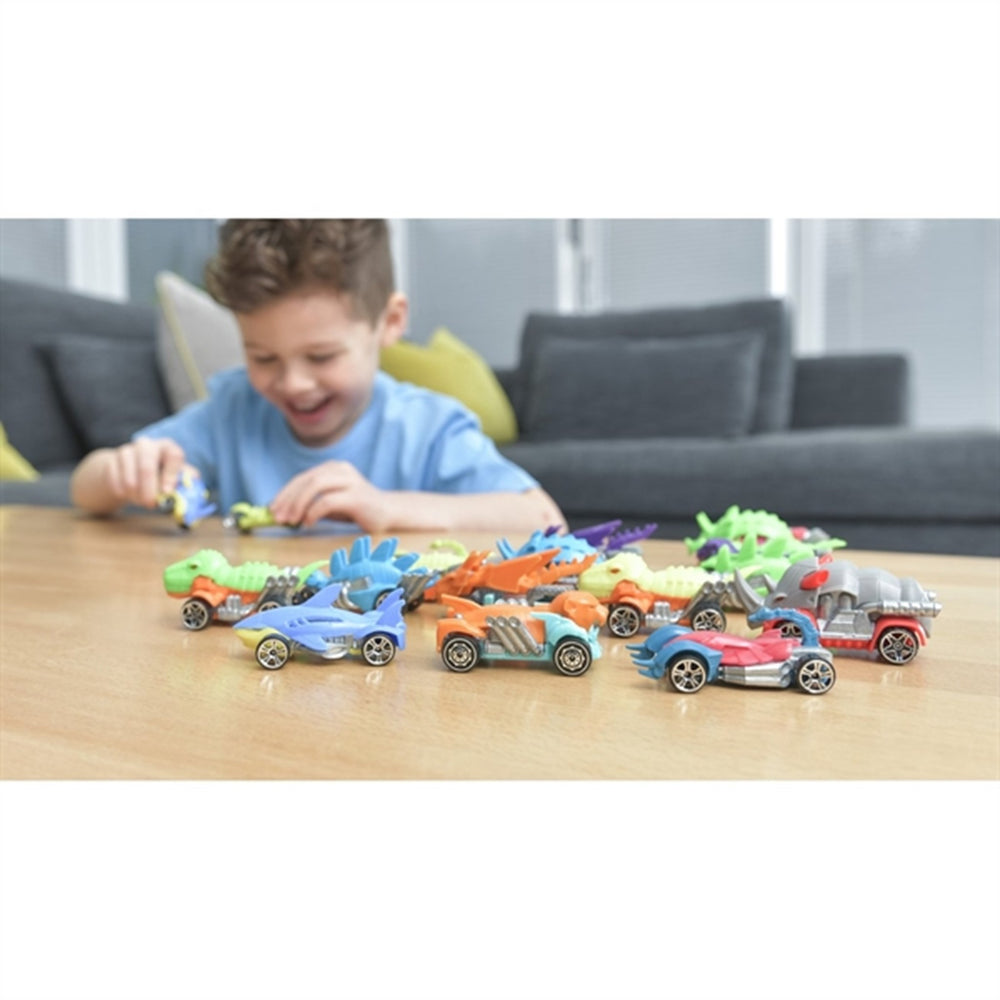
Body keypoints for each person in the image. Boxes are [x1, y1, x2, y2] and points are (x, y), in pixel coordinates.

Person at [70, 220, 565, 533]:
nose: (294, 384)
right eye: (263, 357)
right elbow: (84, 487)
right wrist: (122, 473)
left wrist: (386, 507)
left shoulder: (429, 428)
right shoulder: (233, 410)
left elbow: (544, 519)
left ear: (390, 322)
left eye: (322, 356)